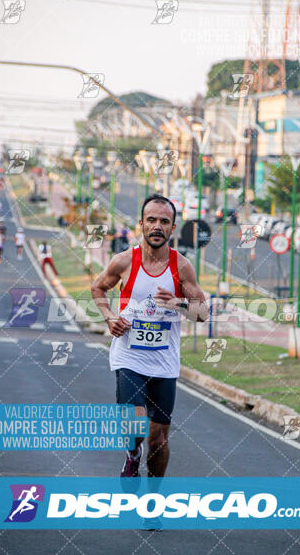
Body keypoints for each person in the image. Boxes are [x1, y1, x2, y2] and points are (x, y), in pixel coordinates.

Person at [91, 194, 208, 481]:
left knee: (158, 440)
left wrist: (178, 304)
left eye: (164, 222)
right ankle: (132, 454)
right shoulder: (123, 261)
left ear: (173, 228)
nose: (157, 226)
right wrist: (109, 318)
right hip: (129, 356)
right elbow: (98, 288)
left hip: (164, 362)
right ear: (141, 224)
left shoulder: (181, 267)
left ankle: (152, 501)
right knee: (134, 427)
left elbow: (202, 312)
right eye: (152, 220)